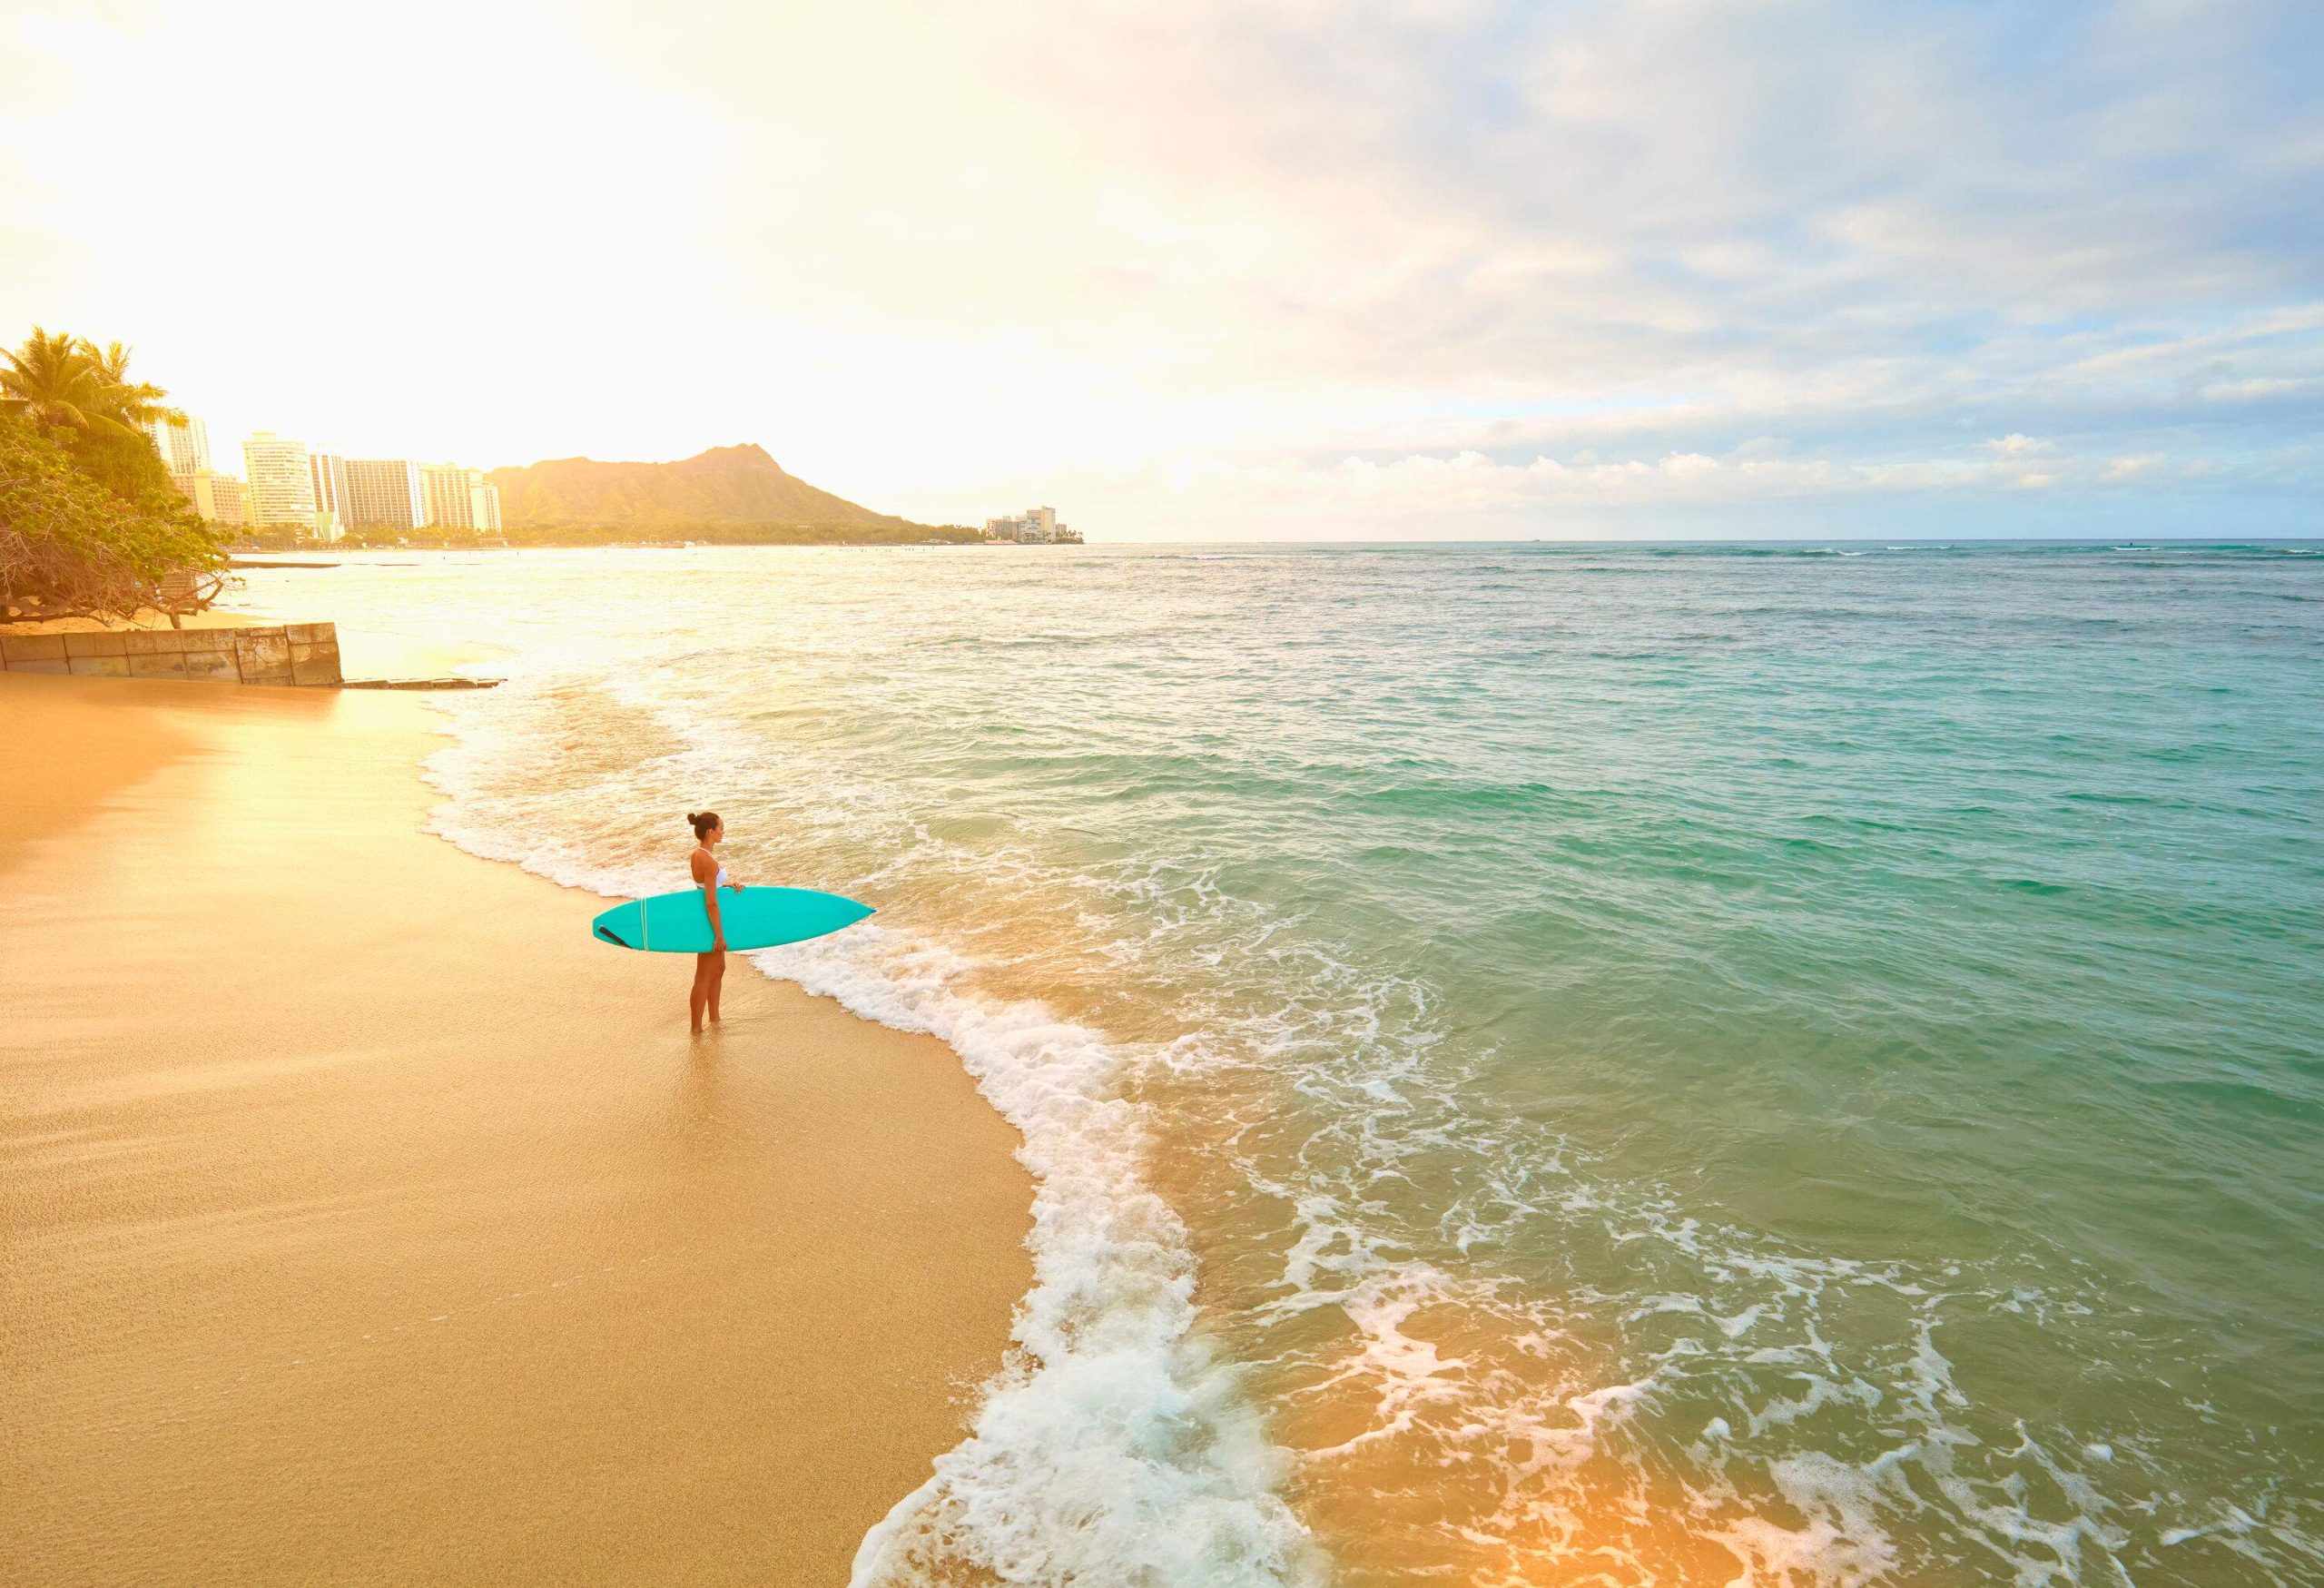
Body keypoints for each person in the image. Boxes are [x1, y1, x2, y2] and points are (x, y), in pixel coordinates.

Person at [685, 811, 744, 1033]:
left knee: (718, 969)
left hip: (709, 920)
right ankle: (695, 1030)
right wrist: (719, 936)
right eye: (721, 828)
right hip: (710, 923)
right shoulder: (706, 860)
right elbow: (710, 902)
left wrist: (727, 886)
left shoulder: (699, 854)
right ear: (711, 832)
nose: (723, 832)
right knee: (704, 976)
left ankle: (715, 1019)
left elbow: (706, 888)